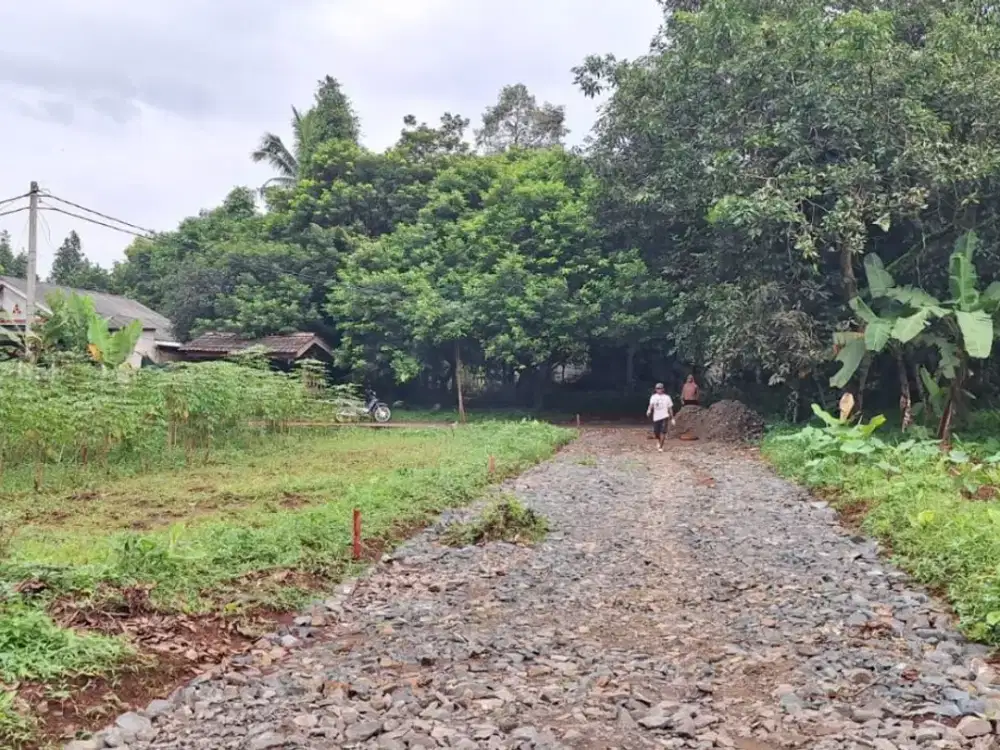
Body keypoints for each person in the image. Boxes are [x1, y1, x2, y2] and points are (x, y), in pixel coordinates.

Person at [646, 382, 675, 452]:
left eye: (660, 388)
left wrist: (672, 418)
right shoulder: (653, 397)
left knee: (663, 432)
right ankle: (659, 441)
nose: (659, 390)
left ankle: (660, 447)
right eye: (657, 388)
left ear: (663, 389)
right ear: (655, 389)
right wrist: (649, 410)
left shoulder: (667, 397)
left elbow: (670, 408)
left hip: (665, 416)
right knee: (656, 432)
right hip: (656, 417)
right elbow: (651, 405)